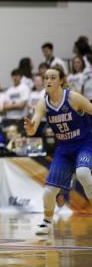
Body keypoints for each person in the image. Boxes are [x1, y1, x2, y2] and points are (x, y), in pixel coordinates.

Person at [24, 66, 92, 235]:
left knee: (83, 173)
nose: (48, 81)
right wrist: (30, 128)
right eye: (46, 77)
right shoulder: (43, 104)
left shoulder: (73, 98)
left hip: (84, 143)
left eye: (53, 77)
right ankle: (47, 221)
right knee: (49, 192)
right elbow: (32, 130)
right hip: (63, 148)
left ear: (61, 80)